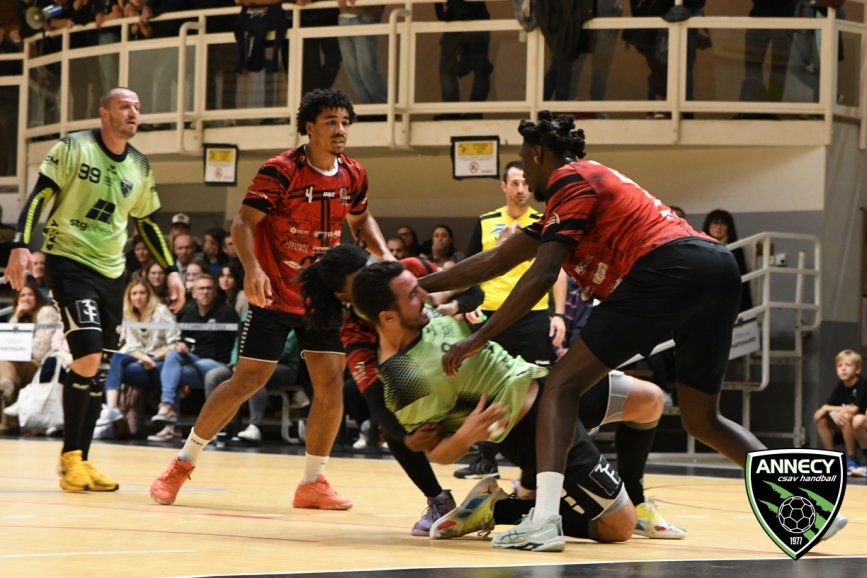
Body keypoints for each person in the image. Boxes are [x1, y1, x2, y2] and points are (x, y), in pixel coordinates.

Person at [418, 111, 849, 549]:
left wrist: (479, 337)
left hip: (669, 268)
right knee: (703, 419)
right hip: (716, 270)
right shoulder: (573, 196)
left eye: (525, 162)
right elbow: (496, 260)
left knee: (561, 385)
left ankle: (544, 519)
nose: (525, 177)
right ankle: (807, 504)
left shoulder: (570, 179)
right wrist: (421, 285)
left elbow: (543, 273)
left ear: (539, 154)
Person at [149, 88, 394, 509]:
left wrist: (385, 255)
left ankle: (312, 482)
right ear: (309, 127)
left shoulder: (353, 173)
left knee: (330, 383)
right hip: (275, 292)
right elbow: (243, 223)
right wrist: (253, 269)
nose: (340, 129)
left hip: (323, 298)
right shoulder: (281, 170)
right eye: (331, 122)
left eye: (345, 122)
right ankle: (181, 464)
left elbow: (361, 217)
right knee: (248, 381)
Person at [351, 261, 649, 548]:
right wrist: (466, 435)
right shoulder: (405, 381)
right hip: (530, 426)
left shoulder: (423, 314)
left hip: (545, 382)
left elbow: (474, 291)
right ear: (388, 318)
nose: (424, 294)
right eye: (413, 295)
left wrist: (459, 307)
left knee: (649, 400)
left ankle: (639, 503)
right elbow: (437, 452)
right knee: (619, 526)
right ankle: (498, 508)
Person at [5, 86, 184, 492]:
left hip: (112, 272)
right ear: (104, 113)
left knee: (99, 368)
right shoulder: (74, 148)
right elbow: (39, 197)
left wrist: (171, 270)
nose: (134, 113)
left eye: (138, 107)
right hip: (69, 263)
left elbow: (148, 223)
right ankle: (70, 458)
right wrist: (20, 243)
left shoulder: (139, 165)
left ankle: (82, 460)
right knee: (86, 355)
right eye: (125, 106)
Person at [455, 160, 567, 480]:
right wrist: (468, 304)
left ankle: (540, 461)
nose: (521, 190)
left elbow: (558, 270)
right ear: (503, 186)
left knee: (540, 386)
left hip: (533, 315)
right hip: (491, 316)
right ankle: (485, 459)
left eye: (526, 184)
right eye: (515, 183)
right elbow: (473, 267)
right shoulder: (486, 221)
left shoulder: (545, 221)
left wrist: (559, 314)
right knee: (485, 385)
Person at [149, 273, 239, 442]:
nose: (205, 292)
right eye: (201, 288)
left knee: (172, 373)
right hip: (196, 361)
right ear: (194, 293)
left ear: (214, 292)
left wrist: (236, 364)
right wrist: (182, 345)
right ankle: (169, 414)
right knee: (173, 357)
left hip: (219, 365)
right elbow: (183, 339)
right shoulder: (189, 314)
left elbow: (238, 342)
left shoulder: (227, 314)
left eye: (209, 288)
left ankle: (202, 426)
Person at [95, 277, 180, 438]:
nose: (138, 297)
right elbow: (131, 345)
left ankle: (170, 425)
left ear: (149, 295)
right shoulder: (128, 314)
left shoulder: (161, 311)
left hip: (160, 358)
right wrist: (143, 358)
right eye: (134, 294)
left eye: (142, 293)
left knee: (116, 365)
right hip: (139, 357)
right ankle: (111, 409)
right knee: (113, 358)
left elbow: (174, 343)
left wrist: (151, 358)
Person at [814, 349, 867, 473]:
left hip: (860, 425)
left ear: (857, 370)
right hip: (848, 426)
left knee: (846, 416)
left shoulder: (862, 384)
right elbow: (828, 406)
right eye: (839, 366)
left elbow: (854, 409)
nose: (843, 368)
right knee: (819, 417)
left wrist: (828, 409)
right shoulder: (840, 386)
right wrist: (832, 412)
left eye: (848, 365)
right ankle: (831, 458)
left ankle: (852, 458)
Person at [336, 0, 387, 104]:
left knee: (367, 69)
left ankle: (382, 107)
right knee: (353, 73)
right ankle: (369, 108)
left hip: (365, 16)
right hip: (344, 18)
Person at [701, 209, 752, 312]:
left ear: (729, 227)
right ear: (708, 225)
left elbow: (740, 276)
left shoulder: (736, 248)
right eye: (715, 223)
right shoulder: (699, 246)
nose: (718, 227)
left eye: (723, 224)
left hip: (728, 297)